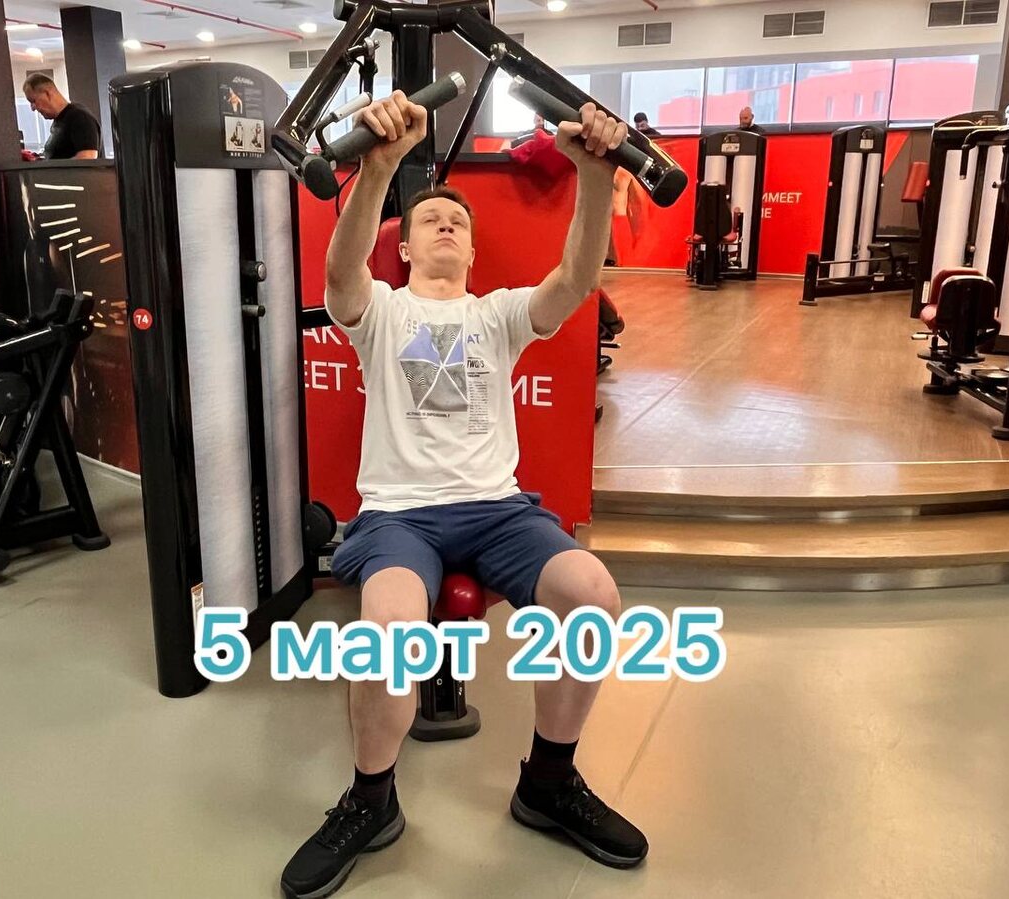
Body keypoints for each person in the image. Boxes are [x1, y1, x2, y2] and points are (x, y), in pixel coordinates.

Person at [280, 89, 648, 899]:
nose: (446, 225)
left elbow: (576, 278)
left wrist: (594, 174)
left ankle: (548, 782)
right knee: (386, 634)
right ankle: (371, 800)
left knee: (594, 594)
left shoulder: (497, 316)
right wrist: (380, 168)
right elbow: (341, 275)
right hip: (399, 514)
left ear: (472, 251)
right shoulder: (380, 311)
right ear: (405, 246)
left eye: (458, 221)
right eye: (430, 220)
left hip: (496, 510)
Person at [22, 74, 101, 160]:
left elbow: (87, 158)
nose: (33, 108)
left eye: (33, 101)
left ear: (47, 93)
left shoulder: (79, 117)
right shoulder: (60, 121)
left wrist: (50, 166)